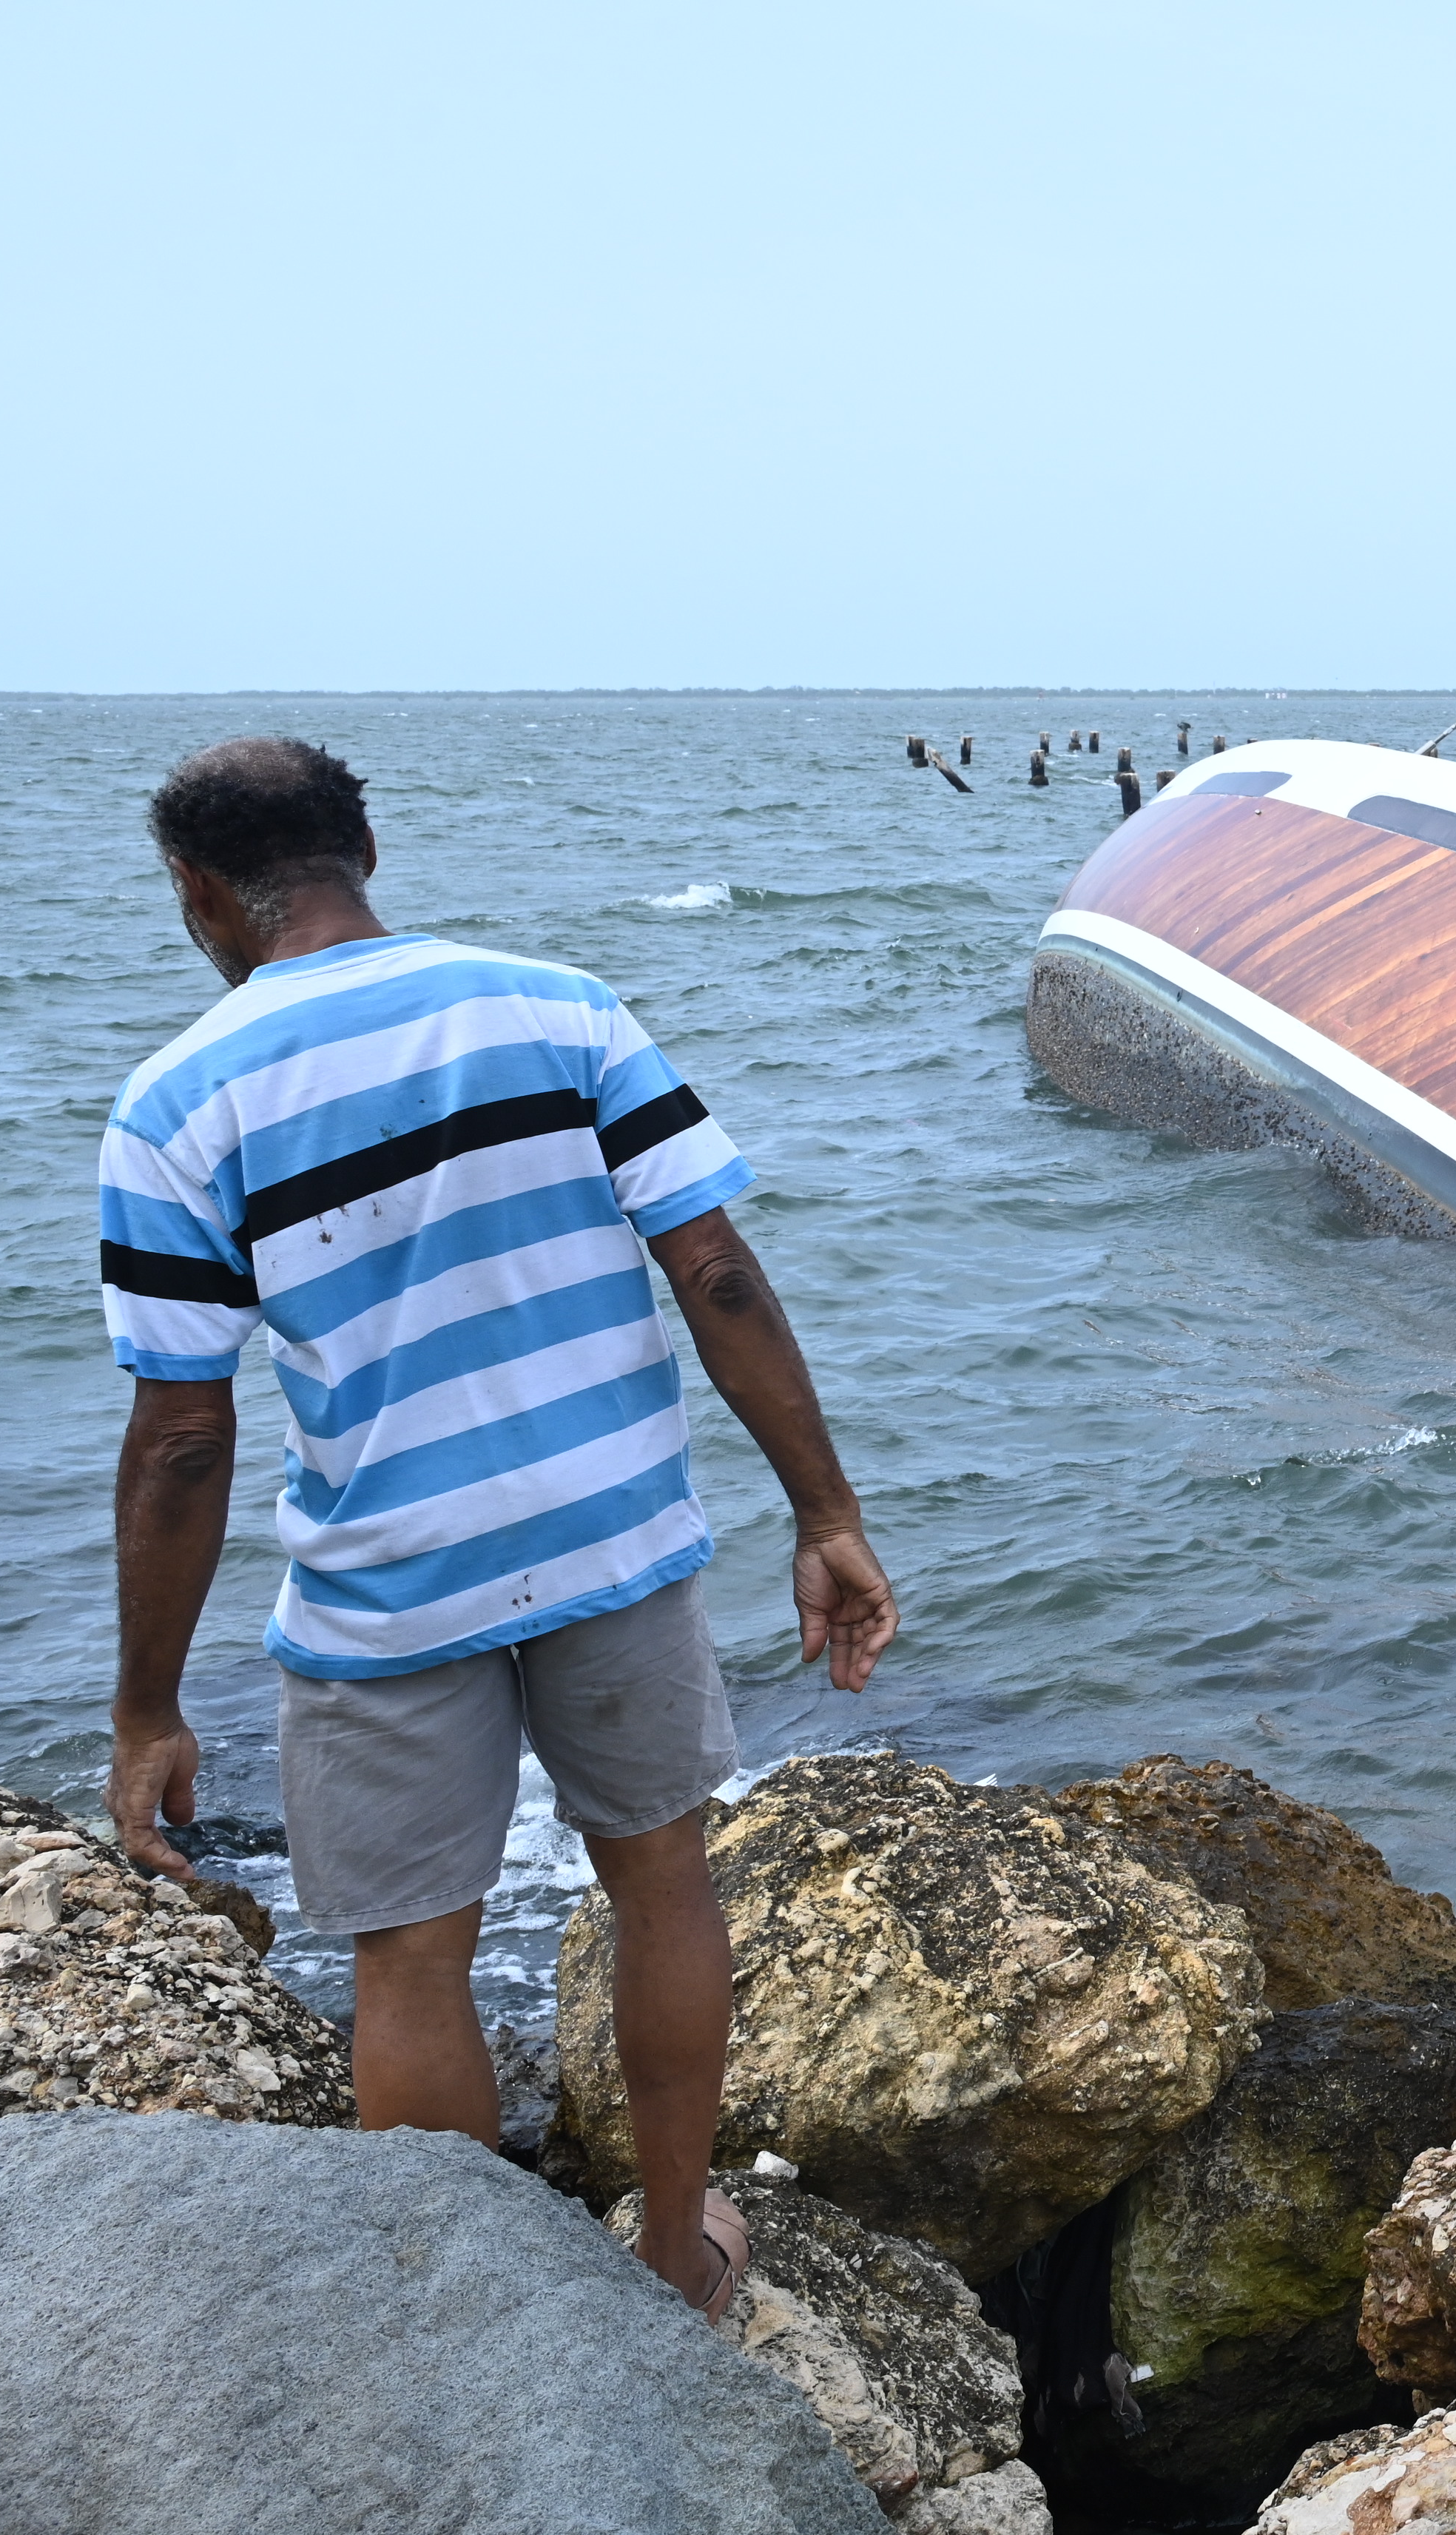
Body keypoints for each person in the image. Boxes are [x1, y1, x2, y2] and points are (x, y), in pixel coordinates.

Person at [97, 735, 896, 2320]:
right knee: (661, 1883)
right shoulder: (559, 1007)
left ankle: (477, 2333)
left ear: (200, 891)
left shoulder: (176, 1103)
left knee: (407, 1956)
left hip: (389, 1592)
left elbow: (184, 1437)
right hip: (614, 1540)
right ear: (365, 849)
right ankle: (679, 2253)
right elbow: (717, 1273)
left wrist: (147, 1707)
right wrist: (825, 1512)